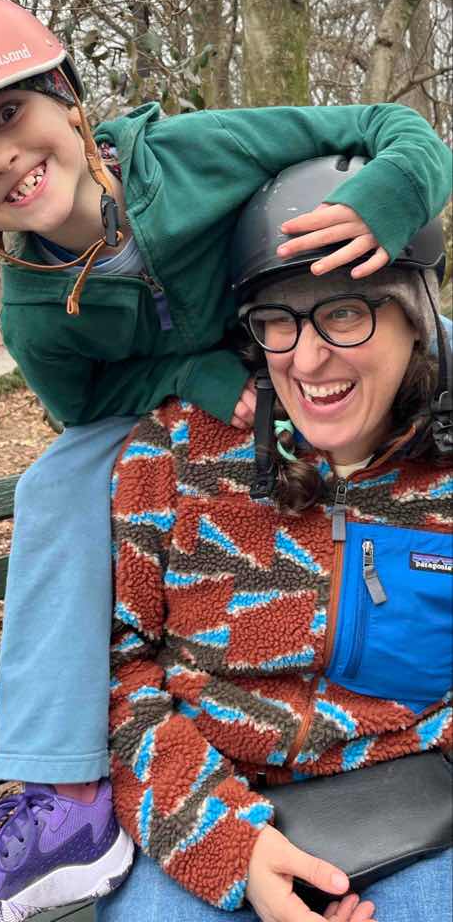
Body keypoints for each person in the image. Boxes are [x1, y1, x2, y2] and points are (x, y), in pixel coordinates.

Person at [0, 0, 451, 922]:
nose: (2, 157)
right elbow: (82, 409)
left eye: (8, 113)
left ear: (68, 98)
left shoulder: (198, 153)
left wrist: (382, 203)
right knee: (60, 476)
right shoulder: (34, 312)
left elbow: (390, 128)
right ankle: (61, 791)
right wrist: (193, 373)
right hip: (198, 423)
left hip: (392, 781)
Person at [97, 156, 452, 922]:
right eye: (278, 321)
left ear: (414, 315)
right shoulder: (177, 454)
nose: (307, 356)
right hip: (205, 798)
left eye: (346, 312)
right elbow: (117, 670)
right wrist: (228, 842)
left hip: (415, 795)